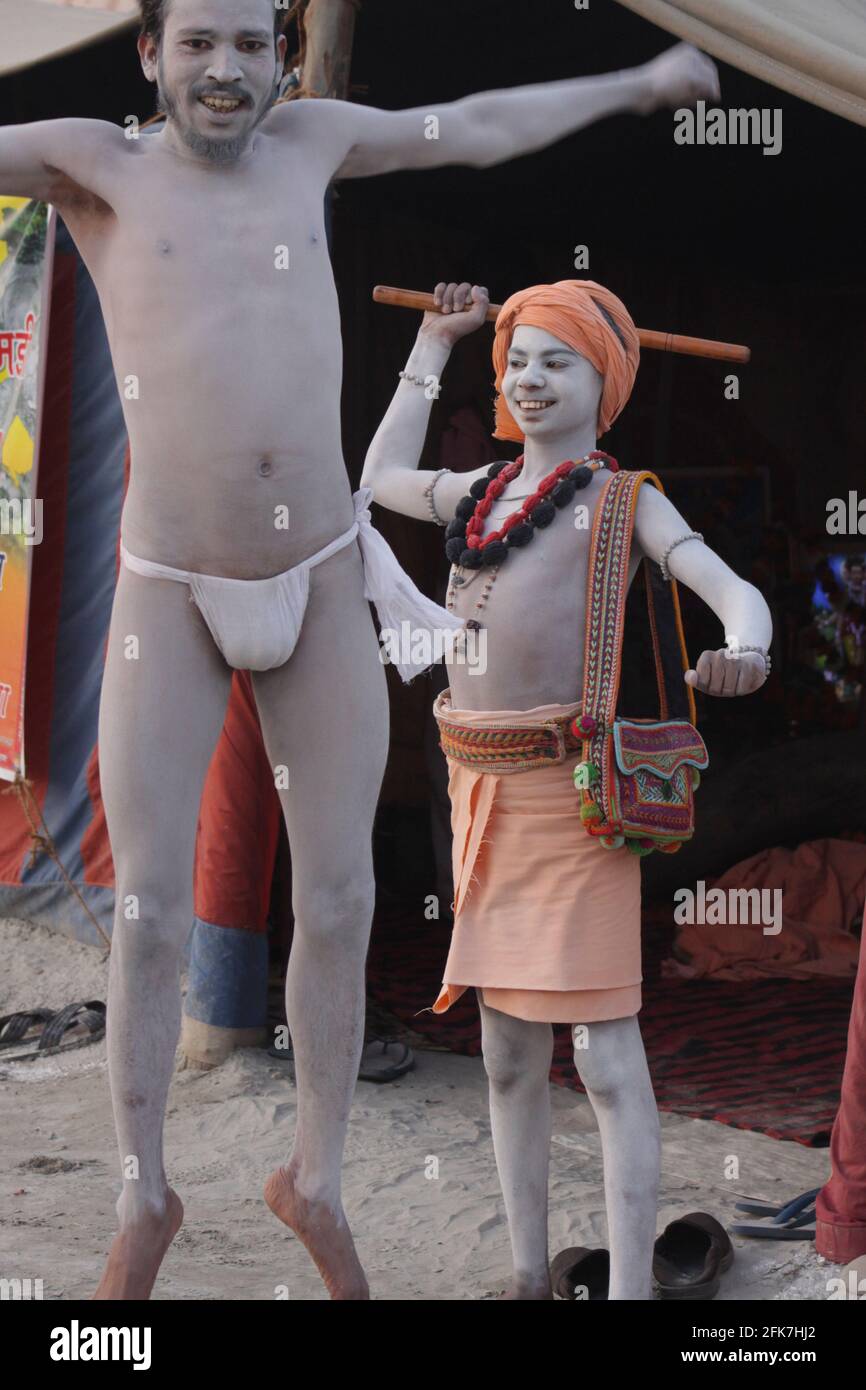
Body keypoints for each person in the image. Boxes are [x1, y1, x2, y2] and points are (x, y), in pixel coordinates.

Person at [0, 0, 719, 1300]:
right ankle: (142, 1188)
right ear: (152, 54)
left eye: (251, 42)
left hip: (321, 567)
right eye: (198, 42)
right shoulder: (85, 160)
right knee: (152, 909)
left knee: (341, 899)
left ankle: (313, 1175)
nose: (226, 67)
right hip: (170, 583)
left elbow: (478, 126)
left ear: (283, 55)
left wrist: (631, 84)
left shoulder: (316, 140)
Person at [360, 278, 773, 1299]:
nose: (529, 379)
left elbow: (729, 588)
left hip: (573, 802)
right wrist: (431, 340)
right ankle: (526, 1272)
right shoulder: (480, 493)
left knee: (601, 1058)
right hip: (477, 802)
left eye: (557, 360)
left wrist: (747, 645)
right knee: (503, 1051)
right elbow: (373, 477)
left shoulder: (624, 500)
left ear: (603, 381)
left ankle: (630, 1288)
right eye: (514, 361)